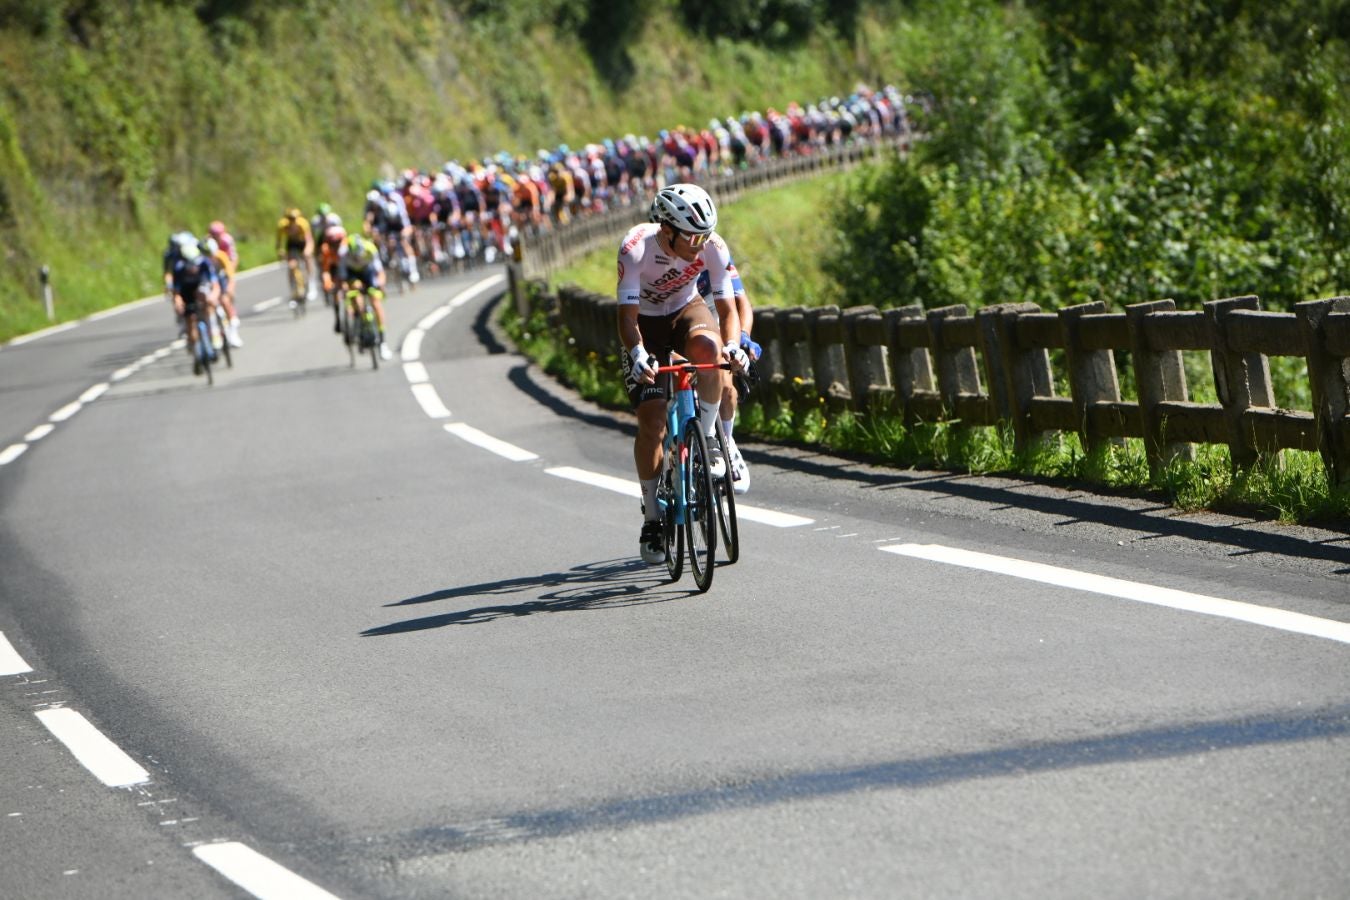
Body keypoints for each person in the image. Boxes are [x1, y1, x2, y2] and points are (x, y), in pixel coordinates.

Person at [618, 183, 748, 564]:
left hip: (685, 309)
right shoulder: (636, 248)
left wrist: (735, 345)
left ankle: (707, 438)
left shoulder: (713, 246)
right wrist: (638, 353)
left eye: (704, 234)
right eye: (691, 236)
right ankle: (653, 515)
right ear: (667, 229)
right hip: (644, 324)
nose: (699, 243)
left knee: (710, 352)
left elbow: (728, 310)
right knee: (653, 420)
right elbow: (626, 318)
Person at [696, 254, 760, 494]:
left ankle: (726, 441)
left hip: (713, 318)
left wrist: (743, 336)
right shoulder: (655, 256)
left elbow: (741, 302)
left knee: (725, 381)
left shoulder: (714, 251)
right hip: (672, 320)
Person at [169, 234, 221, 374]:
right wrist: (178, 303)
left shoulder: (205, 263)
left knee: (207, 302)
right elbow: (177, 293)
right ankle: (195, 350)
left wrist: (213, 297)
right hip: (186, 292)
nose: (193, 268)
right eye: (189, 265)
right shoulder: (179, 269)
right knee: (190, 320)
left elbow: (215, 285)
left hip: (202, 287)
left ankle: (214, 336)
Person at [338, 231, 392, 360]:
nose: (357, 258)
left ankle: (382, 342)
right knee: (356, 296)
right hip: (353, 274)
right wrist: (345, 288)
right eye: (354, 256)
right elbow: (342, 278)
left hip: (368, 271)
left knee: (375, 302)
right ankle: (358, 322)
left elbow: (380, 272)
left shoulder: (370, 249)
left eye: (359, 255)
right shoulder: (343, 254)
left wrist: (380, 285)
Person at [202, 236, 243, 348]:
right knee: (208, 305)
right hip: (208, 280)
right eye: (206, 255)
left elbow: (230, 275)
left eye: (211, 254)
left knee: (225, 301)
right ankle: (214, 332)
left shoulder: (221, 256)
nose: (210, 258)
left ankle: (233, 332)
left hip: (220, 278)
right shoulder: (201, 261)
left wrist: (230, 289)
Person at [276, 207, 314, 305]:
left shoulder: (303, 224)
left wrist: (307, 250)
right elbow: (279, 241)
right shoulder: (282, 225)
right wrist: (280, 251)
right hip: (292, 244)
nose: (292, 221)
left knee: (307, 257)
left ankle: (310, 281)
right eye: (290, 219)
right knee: (291, 265)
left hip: (303, 242)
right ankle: (293, 290)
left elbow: (309, 240)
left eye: (294, 218)